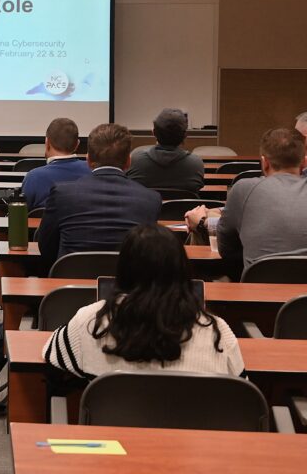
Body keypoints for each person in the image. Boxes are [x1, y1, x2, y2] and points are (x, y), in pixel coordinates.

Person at [42, 225, 244, 380]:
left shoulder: (89, 321)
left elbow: (51, 354)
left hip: (112, 434)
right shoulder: (217, 331)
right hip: (195, 435)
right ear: (183, 271)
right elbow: (240, 390)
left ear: (122, 270)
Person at [37, 123, 161, 273]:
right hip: (127, 287)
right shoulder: (151, 200)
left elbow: (46, 247)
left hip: (70, 287)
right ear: (129, 161)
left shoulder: (62, 194)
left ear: (88, 161)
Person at [186, 127, 307, 273]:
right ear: (304, 162)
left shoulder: (244, 188)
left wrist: (202, 223)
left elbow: (226, 250)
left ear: (264, 163)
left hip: (258, 289)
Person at [126, 108, 204, 194]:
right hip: (183, 208)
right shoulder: (196, 164)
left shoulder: (135, 160)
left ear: (154, 133)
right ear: (185, 135)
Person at [20, 117, 90, 210]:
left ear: (47, 142)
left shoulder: (33, 177)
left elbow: (21, 214)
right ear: (77, 144)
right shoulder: (92, 171)